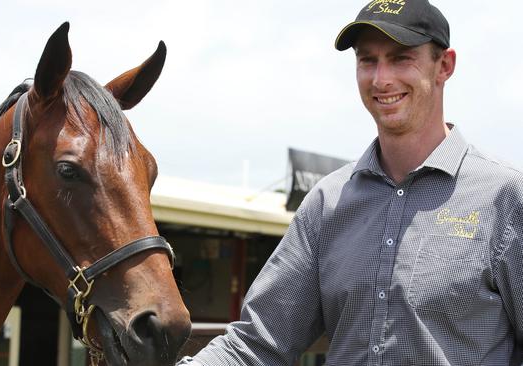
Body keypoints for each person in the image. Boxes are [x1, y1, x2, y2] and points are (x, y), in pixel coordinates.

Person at [178, 0, 523, 365]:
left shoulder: (505, 198)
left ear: (445, 66)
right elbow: (257, 343)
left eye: (401, 57)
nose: (381, 79)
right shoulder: (328, 204)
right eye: (367, 60)